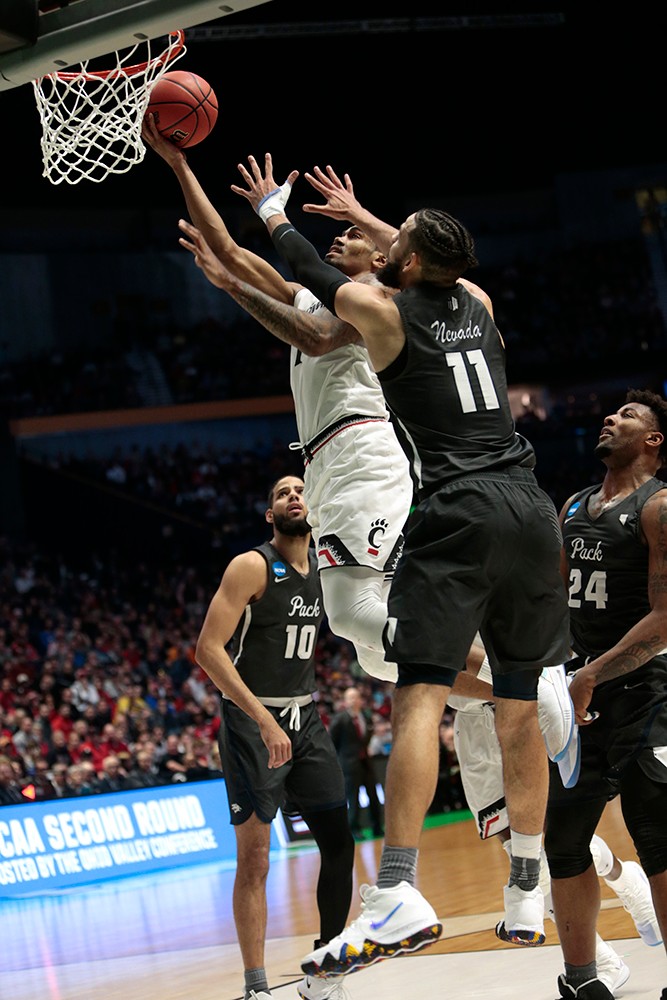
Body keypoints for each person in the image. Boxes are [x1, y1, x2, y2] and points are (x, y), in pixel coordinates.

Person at [195, 155, 573, 981]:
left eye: (379, 241)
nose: (360, 243)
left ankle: (397, 886)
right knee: (481, 692)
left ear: (395, 266)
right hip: (526, 497)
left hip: (432, 491)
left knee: (414, 688)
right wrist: (367, 215)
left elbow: (295, 276)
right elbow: (422, 258)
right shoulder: (474, 301)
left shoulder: (371, 311)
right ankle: (522, 887)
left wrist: (272, 213)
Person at [142, 118, 412, 684]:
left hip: (363, 451)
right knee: (371, 653)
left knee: (357, 617)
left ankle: (518, 678)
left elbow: (311, 337)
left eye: (353, 237)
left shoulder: (379, 298)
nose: (339, 237)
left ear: (381, 258)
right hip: (325, 462)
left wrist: (233, 285)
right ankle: (486, 696)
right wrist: (179, 164)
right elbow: (228, 251)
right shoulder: (311, 294)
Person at [194, 474, 355, 1000]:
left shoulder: (328, 571)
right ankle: (256, 986)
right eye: (282, 493)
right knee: (257, 859)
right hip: (251, 723)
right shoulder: (252, 566)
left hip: (306, 720)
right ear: (270, 515)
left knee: (339, 842)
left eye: (301, 490)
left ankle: (326, 968)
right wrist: (263, 720)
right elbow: (209, 650)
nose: (293, 496)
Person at [543, 388, 667, 1000]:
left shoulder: (660, 506)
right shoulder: (572, 506)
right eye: (609, 413)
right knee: (563, 840)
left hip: (648, 690)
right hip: (579, 692)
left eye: (627, 417)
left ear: (653, 441)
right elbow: (561, 600)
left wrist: (596, 671)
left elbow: (666, 617)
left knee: (657, 835)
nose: (608, 419)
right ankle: (581, 979)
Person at [448, 647, 660, 994]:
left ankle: (625, 881)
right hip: (474, 725)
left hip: (531, 706)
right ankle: (604, 958)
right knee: (521, 853)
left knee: (558, 840)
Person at [329, 685, 384, 839]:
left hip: (366, 762)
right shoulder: (340, 719)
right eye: (350, 697)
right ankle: (354, 829)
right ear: (345, 701)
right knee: (353, 798)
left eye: (356, 697)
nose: (354, 700)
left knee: (374, 795)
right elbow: (333, 742)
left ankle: (377, 827)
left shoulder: (366, 716)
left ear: (360, 700)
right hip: (349, 765)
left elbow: (367, 737)